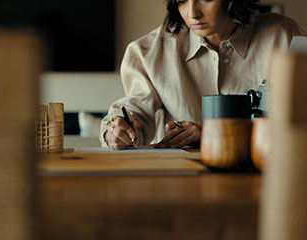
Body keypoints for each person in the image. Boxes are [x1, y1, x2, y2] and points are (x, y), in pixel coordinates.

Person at [100, 0, 305, 150]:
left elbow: (299, 123)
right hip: (181, 187)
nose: (193, 13)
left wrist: (213, 135)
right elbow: (134, 113)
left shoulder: (285, 35)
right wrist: (116, 131)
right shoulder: (146, 52)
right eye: (181, 0)